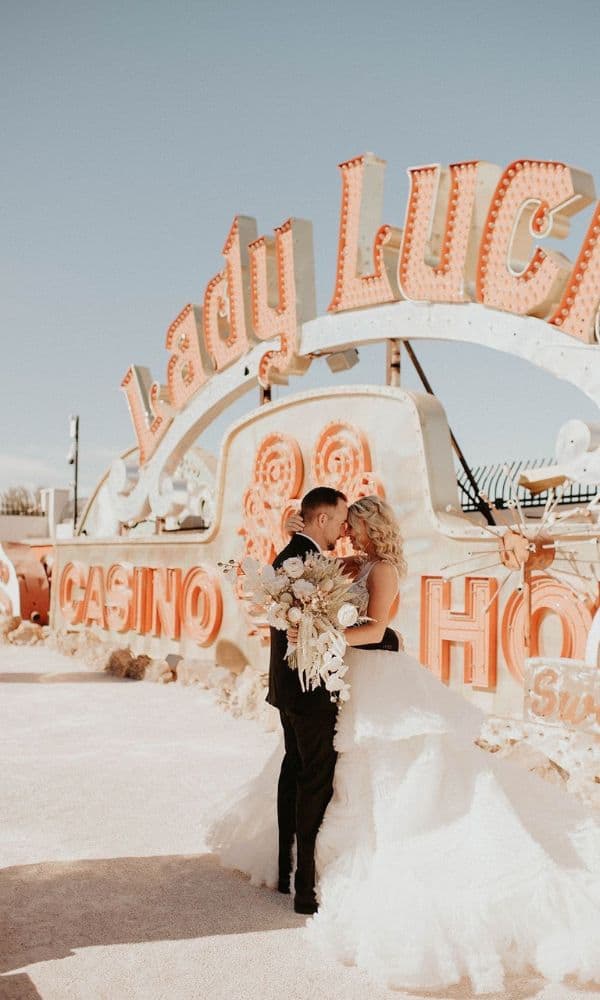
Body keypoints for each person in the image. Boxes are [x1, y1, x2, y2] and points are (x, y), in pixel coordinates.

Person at [209, 495, 600, 995]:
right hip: (338, 676)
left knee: (369, 765)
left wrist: (327, 633)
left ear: (368, 525)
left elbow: (374, 627)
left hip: (368, 674)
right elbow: (312, 562)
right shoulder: (347, 560)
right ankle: (300, 868)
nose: (345, 529)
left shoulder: (384, 568)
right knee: (317, 768)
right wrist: (299, 535)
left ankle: (309, 873)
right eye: (340, 521)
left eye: (352, 522)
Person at [267, 485, 347, 914]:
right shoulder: (307, 564)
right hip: (310, 691)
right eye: (339, 519)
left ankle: (285, 870)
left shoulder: (289, 555)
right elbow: (313, 627)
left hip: (287, 687)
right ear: (321, 519)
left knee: (292, 771)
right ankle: (305, 889)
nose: (343, 527)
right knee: (315, 783)